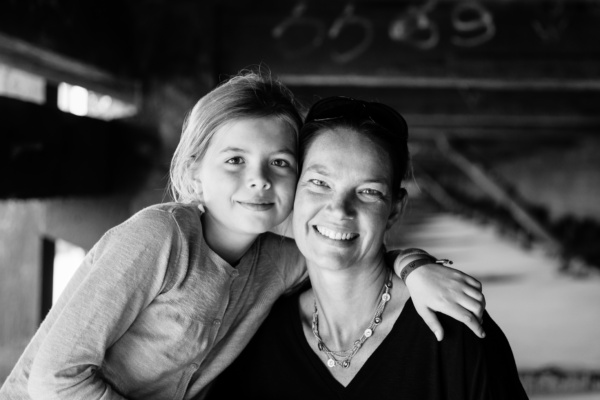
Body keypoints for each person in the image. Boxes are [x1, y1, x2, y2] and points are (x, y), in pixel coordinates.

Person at [0, 73, 485, 400]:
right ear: (193, 175)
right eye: (235, 160)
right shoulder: (157, 239)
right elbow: (55, 378)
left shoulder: (276, 262)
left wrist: (416, 268)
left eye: (280, 163)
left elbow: (354, 247)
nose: (259, 179)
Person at [208, 96, 528, 399]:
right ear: (293, 192)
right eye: (320, 183)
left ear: (394, 210)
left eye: (368, 192)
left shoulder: (455, 332)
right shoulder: (254, 334)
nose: (339, 209)